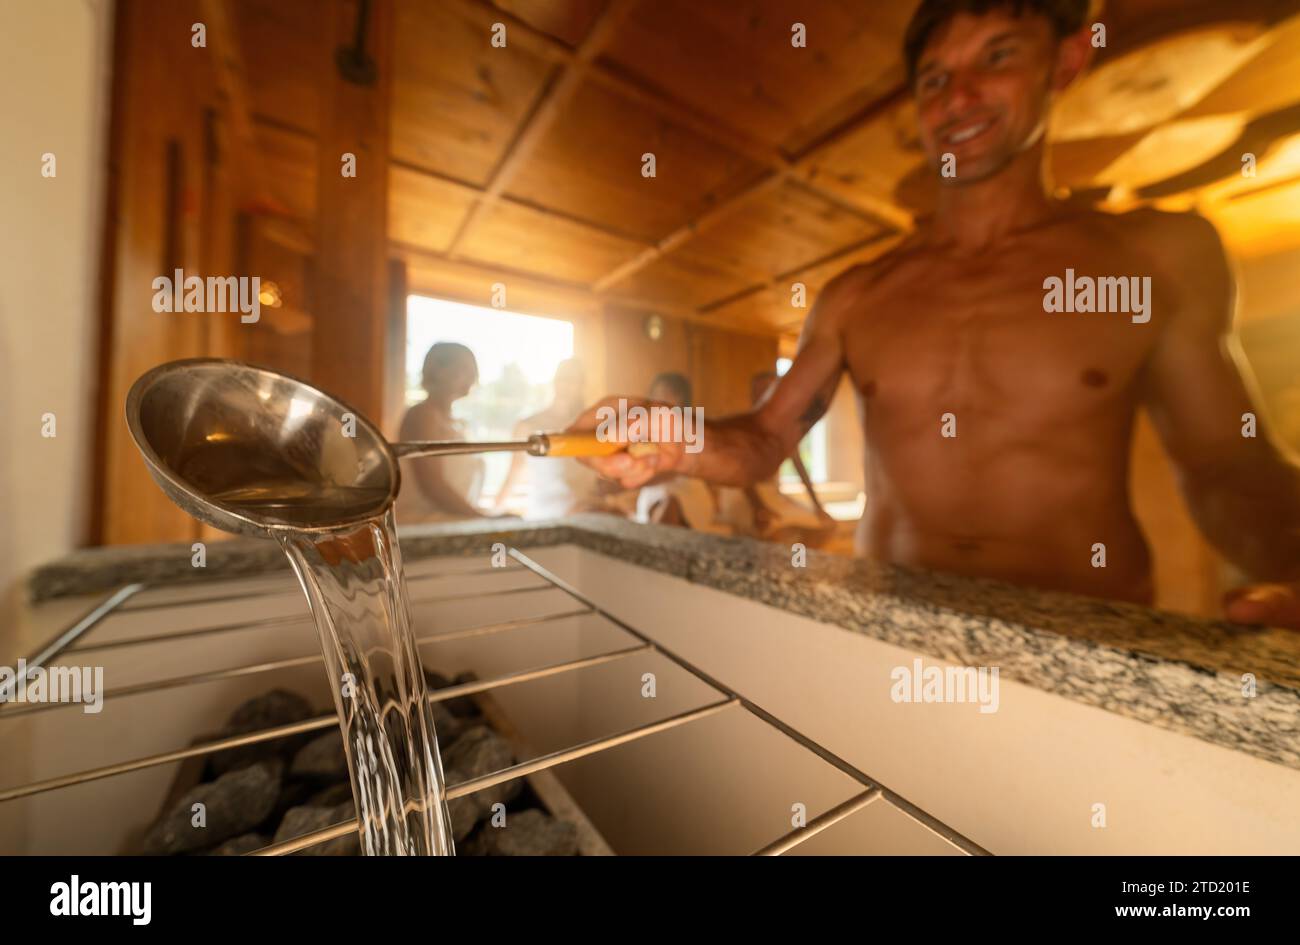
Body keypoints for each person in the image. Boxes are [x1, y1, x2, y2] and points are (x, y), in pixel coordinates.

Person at [569, 0, 1300, 629]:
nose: (960, 96)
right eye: (935, 79)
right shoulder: (857, 294)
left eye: (998, 56)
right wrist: (676, 439)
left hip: (1085, 640)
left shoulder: (1152, 258)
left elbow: (1224, 463)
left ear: (1068, 60)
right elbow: (764, 435)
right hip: (898, 636)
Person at [493, 358, 600, 518]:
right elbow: (514, 473)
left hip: (584, 512)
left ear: (581, 386)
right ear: (555, 381)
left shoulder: (592, 428)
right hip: (544, 513)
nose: (567, 384)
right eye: (563, 378)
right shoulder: (527, 426)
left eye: (573, 380)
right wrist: (493, 511)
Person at [395, 342, 490, 522]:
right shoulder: (422, 415)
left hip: (453, 522)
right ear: (438, 370)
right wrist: (481, 518)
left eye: (472, 369)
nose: (471, 376)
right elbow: (431, 483)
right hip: (424, 526)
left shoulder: (460, 424)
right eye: (463, 368)